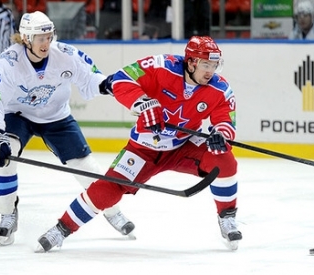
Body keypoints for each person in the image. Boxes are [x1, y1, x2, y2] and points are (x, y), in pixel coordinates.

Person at [36, 35, 242, 252]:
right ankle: (61, 229)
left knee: (224, 160)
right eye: (205, 64)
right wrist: (145, 103)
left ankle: (227, 217)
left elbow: (226, 121)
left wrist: (221, 134)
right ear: (191, 62)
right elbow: (121, 79)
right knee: (108, 190)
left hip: (183, 146)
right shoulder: (162, 66)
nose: (210, 71)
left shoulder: (220, 88)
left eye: (214, 65)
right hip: (144, 149)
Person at [0, 11, 135, 246]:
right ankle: (8, 213)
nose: (46, 43)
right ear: (26, 38)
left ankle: (112, 210)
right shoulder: (6, 63)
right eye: (40, 38)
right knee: (3, 156)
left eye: (49, 36)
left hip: (56, 117)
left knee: (86, 167)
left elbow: (92, 79)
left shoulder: (66, 54)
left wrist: (109, 85)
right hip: (18, 115)